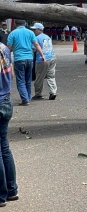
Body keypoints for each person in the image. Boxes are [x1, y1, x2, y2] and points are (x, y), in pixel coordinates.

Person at [7, 19, 45, 106]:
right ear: (25, 24)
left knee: (20, 80)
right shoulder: (30, 33)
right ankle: (28, 97)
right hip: (29, 58)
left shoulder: (12, 33)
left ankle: (25, 99)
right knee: (28, 79)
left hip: (19, 58)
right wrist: (42, 55)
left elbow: (9, 47)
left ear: (15, 24)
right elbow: (36, 45)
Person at [0, 41, 19, 205]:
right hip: (5, 100)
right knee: (4, 147)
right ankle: (11, 190)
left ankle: (1, 195)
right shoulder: (4, 48)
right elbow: (11, 74)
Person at [30, 23, 57, 100]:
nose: (34, 31)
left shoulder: (36, 38)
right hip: (52, 56)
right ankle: (53, 92)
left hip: (42, 59)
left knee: (39, 76)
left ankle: (38, 93)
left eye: (35, 29)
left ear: (39, 29)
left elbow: (34, 49)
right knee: (51, 76)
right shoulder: (47, 37)